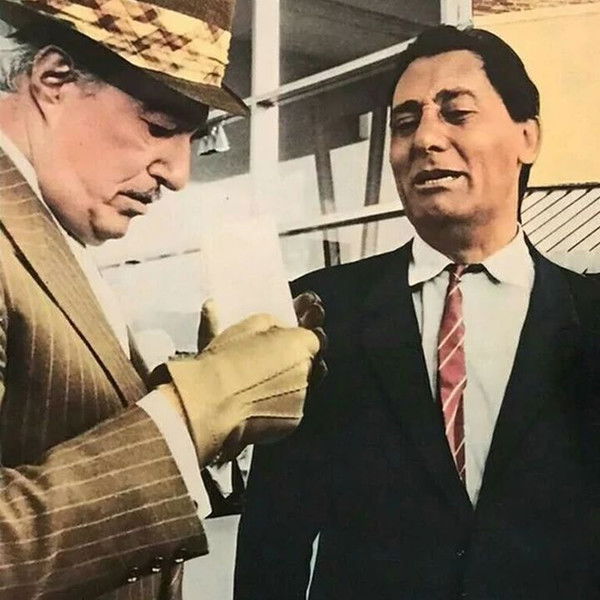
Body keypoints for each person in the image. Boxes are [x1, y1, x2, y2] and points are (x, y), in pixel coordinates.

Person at [234, 25, 600, 600]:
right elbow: (273, 537)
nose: (426, 138)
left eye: (457, 113)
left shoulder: (590, 318)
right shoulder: (321, 313)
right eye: (405, 123)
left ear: (527, 137)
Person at [0, 0, 324, 598]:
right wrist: (189, 414)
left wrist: (215, 397)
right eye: (158, 125)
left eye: (194, 137)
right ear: (54, 81)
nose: (179, 174)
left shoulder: (48, 227)